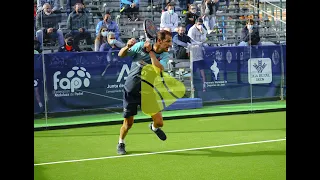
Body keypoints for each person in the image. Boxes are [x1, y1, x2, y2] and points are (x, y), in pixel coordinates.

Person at [117, 30, 173, 155]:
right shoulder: (140, 46)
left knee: (159, 122)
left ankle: (153, 127)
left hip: (147, 92)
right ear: (159, 41)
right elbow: (121, 54)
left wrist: (151, 52)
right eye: (168, 42)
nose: (170, 45)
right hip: (131, 90)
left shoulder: (164, 55)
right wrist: (127, 46)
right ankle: (121, 142)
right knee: (128, 124)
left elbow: (158, 69)